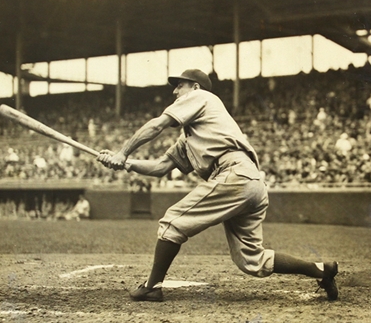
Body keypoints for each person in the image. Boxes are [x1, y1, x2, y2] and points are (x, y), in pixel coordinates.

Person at [96, 68, 339, 302]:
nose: (175, 91)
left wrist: (123, 151)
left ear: (195, 86)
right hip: (249, 181)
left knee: (172, 222)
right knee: (251, 260)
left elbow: (157, 125)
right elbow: (161, 167)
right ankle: (321, 270)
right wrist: (125, 163)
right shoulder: (191, 135)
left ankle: (152, 288)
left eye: (180, 85)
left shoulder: (201, 97)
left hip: (233, 173)